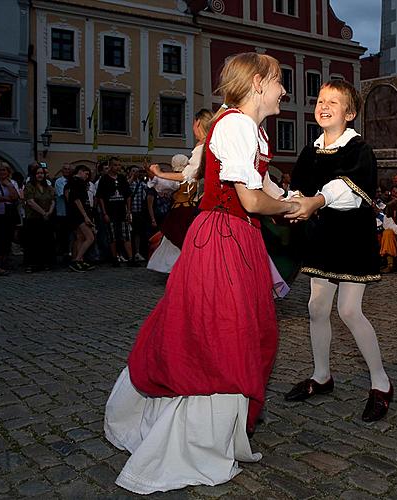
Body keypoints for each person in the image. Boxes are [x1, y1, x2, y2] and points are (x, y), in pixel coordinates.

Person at [104, 52, 308, 494]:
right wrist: (295, 206)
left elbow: (264, 187)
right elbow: (254, 201)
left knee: (243, 332)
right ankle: (197, 441)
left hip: (239, 237)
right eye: (278, 81)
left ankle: (217, 433)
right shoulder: (234, 124)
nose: (283, 91)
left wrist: (300, 200)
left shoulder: (246, 128)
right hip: (223, 238)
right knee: (222, 334)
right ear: (257, 83)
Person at [284, 80, 393, 422]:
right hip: (321, 237)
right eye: (320, 99)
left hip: (351, 238)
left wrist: (315, 200)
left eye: (333, 101)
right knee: (316, 307)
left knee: (348, 310)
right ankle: (321, 376)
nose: (324, 105)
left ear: (350, 112)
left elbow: (346, 190)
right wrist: (285, 203)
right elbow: (298, 189)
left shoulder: (358, 149)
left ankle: (381, 382)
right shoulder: (310, 149)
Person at [146, 109, 213, 273]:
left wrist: (159, 174)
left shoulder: (203, 147)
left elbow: (185, 176)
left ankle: (187, 269)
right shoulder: (214, 144)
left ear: (197, 123)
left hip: (194, 210)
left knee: (185, 241)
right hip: (204, 207)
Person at [95, 157, 133, 266]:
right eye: (115, 165)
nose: (117, 167)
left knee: (126, 235)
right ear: (110, 166)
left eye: (119, 165)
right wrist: (104, 213)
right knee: (112, 236)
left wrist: (128, 211)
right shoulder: (104, 179)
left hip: (122, 211)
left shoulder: (122, 178)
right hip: (110, 212)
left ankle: (130, 258)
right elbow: (100, 197)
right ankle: (114, 258)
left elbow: (128, 195)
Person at [22, 164, 56, 272]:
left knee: (45, 241)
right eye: (38, 173)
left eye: (42, 173)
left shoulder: (48, 187)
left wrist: (49, 212)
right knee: (33, 242)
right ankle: (31, 264)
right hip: (33, 218)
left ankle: (45, 263)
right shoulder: (29, 186)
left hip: (46, 219)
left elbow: (52, 200)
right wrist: (43, 213)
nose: (40, 175)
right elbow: (30, 202)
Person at [65, 165, 96, 272]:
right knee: (90, 237)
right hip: (78, 214)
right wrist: (85, 216)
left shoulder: (73, 182)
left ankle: (79, 260)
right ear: (80, 172)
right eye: (86, 173)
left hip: (76, 213)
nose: (87, 176)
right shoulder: (77, 182)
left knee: (80, 237)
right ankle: (77, 260)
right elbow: (76, 200)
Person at [126, 165, 148, 262]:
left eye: (137, 171)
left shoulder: (141, 183)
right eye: (133, 171)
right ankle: (129, 253)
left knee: (138, 232)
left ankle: (137, 252)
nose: (135, 173)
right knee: (129, 233)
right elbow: (125, 188)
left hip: (139, 211)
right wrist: (131, 178)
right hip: (129, 211)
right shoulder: (127, 182)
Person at [54, 163, 72, 259]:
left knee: (70, 234)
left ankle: (69, 252)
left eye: (69, 169)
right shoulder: (59, 181)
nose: (67, 171)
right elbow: (64, 195)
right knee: (62, 235)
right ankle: (63, 254)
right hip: (62, 212)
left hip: (71, 212)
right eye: (65, 169)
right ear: (62, 170)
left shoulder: (73, 181)